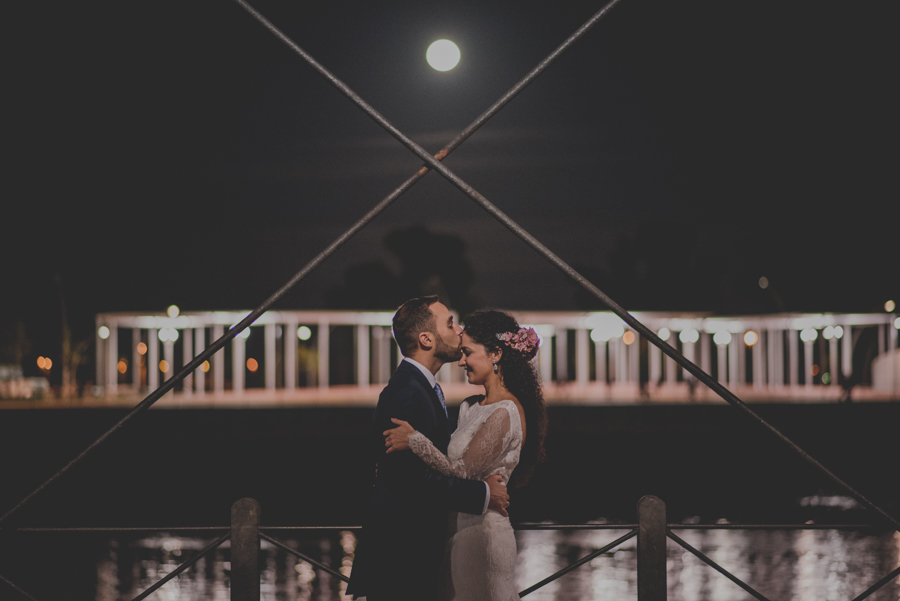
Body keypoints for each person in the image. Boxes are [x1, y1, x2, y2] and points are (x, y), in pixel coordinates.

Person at [346, 297, 510, 601]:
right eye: (450, 323)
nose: (459, 330)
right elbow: (411, 481)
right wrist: (484, 494)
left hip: (409, 555)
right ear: (426, 339)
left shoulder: (419, 387)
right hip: (402, 560)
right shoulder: (408, 393)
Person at [383, 310, 548, 601]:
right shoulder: (469, 406)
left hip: (484, 537)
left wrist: (414, 440)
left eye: (468, 353)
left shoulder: (506, 411)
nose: (461, 361)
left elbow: (460, 471)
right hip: (456, 531)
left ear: (496, 353)